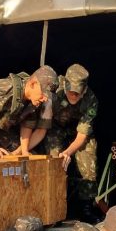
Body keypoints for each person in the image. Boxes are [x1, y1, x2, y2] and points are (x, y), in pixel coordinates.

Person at [32, 64, 99, 222]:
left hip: (78, 133)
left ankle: (86, 208)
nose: (73, 95)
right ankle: (55, 206)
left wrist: (68, 152)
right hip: (54, 128)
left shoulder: (91, 100)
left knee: (88, 162)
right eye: (70, 91)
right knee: (55, 161)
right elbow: (41, 124)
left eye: (77, 93)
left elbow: (82, 135)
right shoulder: (54, 90)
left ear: (84, 90)